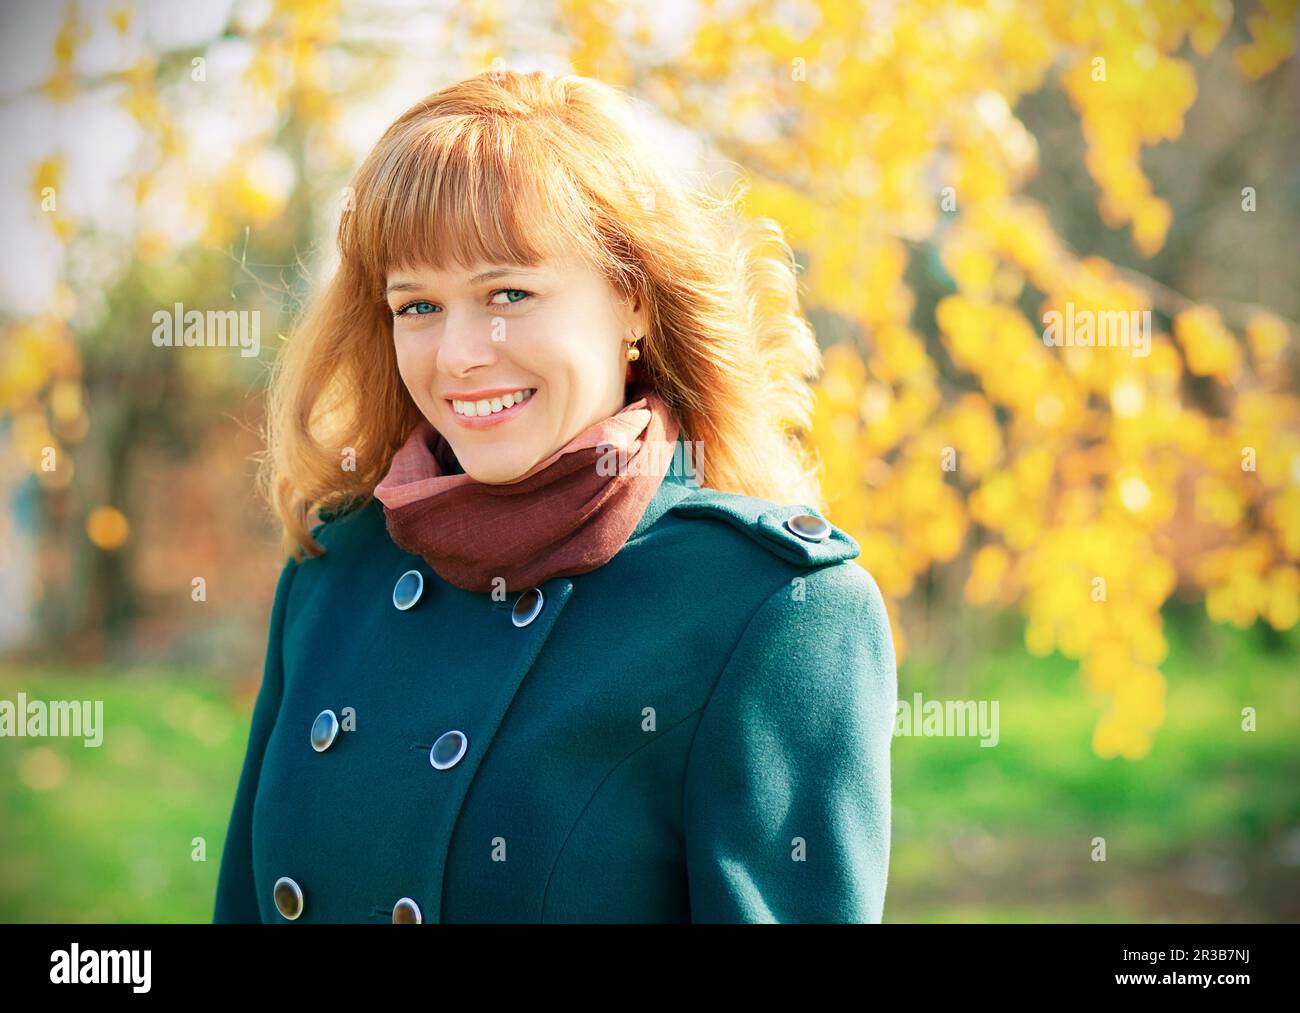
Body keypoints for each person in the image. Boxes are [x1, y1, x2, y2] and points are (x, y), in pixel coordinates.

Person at [213, 68, 897, 924]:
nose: (459, 354)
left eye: (509, 293)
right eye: (417, 303)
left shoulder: (775, 611)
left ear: (632, 302)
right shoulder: (333, 573)